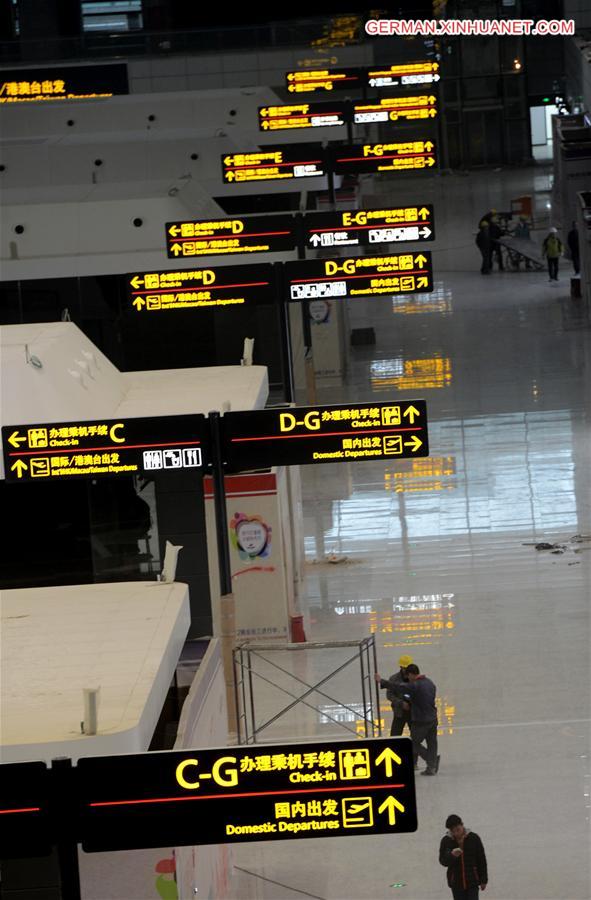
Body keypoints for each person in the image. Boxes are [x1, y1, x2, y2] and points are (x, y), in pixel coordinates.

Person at [375, 663, 439, 774]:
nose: (408, 679)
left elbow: (398, 687)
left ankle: (431, 760)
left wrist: (382, 681)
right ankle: (431, 768)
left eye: (408, 676)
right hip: (433, 718)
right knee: (432, 742)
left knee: (412, 743)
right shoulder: (430, 683)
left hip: (421, 720)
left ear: (411, 674)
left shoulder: (415, 685)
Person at [439, 814, 488, 899]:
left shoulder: (474, 838)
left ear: (462, 825)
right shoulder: (446, 841)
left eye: (458, 829)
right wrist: (452, 856)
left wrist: (484, 879)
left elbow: (481, 859)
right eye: (453, 831)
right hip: (456, 883)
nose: (456, 833)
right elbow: (443, 861)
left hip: (472, 881)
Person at [376, 654, 413, 736]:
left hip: (413, 712)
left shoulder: (414, 678)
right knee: (395, 736)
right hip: (399, 712)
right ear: (401, 667)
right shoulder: (394, 678)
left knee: (416, 737)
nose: (407, 670)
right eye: (405, 668)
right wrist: (401, 703)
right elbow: (389, 695)